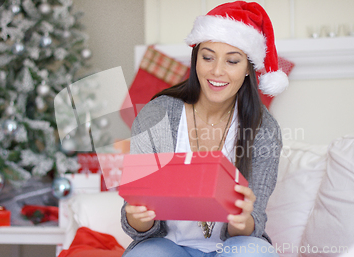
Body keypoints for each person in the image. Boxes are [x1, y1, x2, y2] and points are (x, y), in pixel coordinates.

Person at [121, 1, 288, 256]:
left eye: (232, 61)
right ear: (195, 59)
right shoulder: (158, 115)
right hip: (169, 245)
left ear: (247, 69)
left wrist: (241, 220)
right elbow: (137, 226)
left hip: (233, 246)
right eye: (207, 57)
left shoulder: (263, 128)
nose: (217, 71)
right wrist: (139, 217)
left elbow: (254, 223)